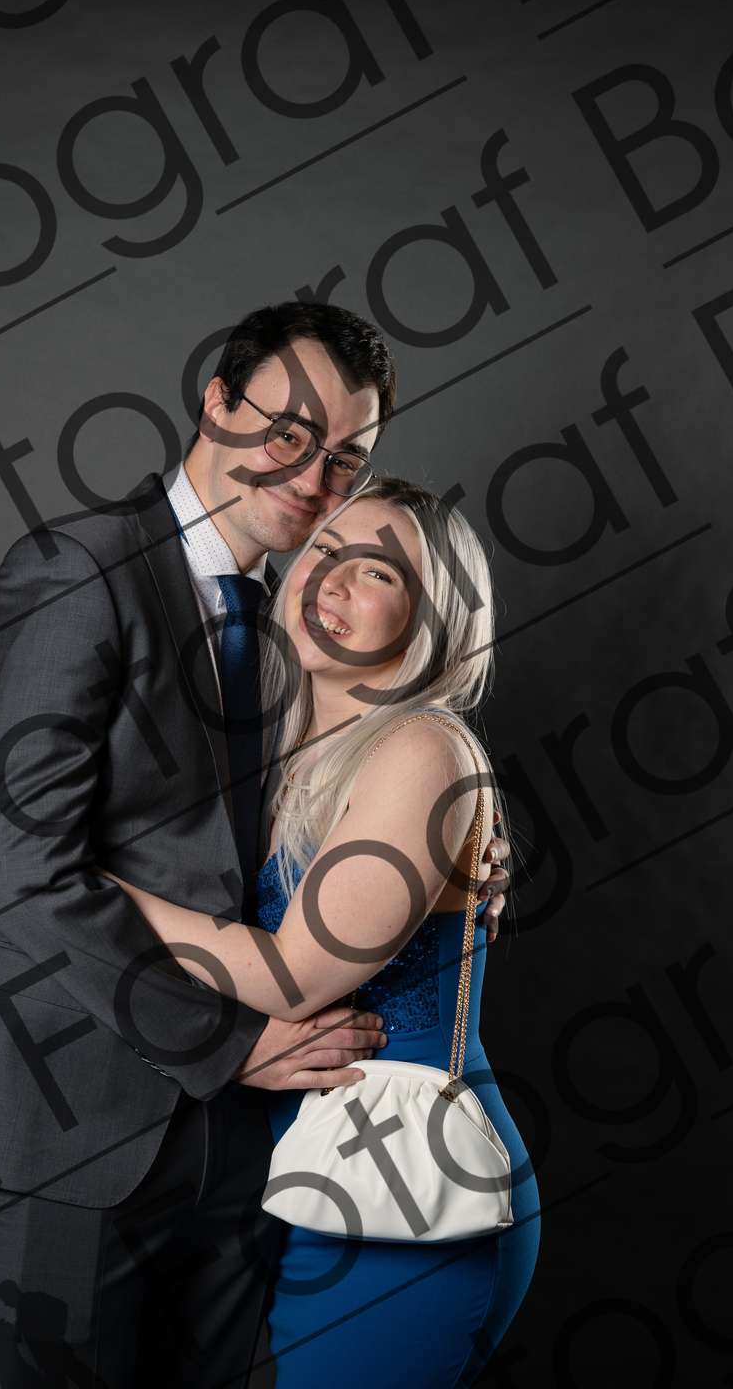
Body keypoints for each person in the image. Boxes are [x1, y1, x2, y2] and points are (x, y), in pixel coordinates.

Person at [0, 301, 511, 1386]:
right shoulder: (78, 571)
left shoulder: (293, 623)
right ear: (217, 402)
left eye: (344, 458)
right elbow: (14, 872)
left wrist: (463, 851)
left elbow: (345, 808)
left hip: (242, 1145)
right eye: (288, 432)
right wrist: (225, 1043)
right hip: (61, 1121)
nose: (313, 477)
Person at [100, 474, 538, 1387]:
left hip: (408, 1197)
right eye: (327, 550)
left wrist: (87, 893)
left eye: (378, 572)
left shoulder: (422, 749)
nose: (332, 581)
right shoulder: (278, 739)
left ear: (433, 621)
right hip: (300, 1175)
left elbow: (292, 976)